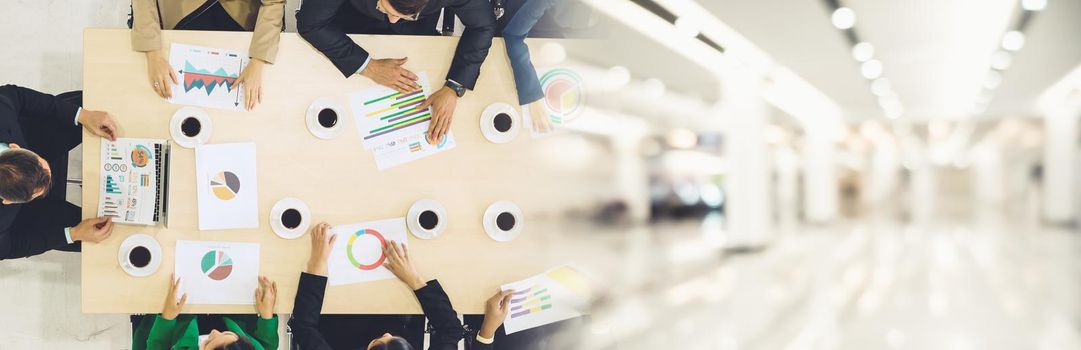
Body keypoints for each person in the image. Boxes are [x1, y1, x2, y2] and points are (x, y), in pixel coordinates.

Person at [295, 0, 497, 144]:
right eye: (383, 7)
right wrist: (368, 66)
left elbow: (483, 26)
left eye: (402, 15)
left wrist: (454, 86)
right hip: (350, 27)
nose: (393, 20)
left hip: (417, 38)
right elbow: (310, 24)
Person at [291, 222, 512, 349]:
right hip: (401, 310)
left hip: (336, 322)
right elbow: (451, 331)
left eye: (381, 340)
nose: (386, 333)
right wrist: (415, 280)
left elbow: (303, 327)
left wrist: (316, 265)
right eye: (393, 339)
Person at [0, 85, 119, 260]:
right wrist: (73, 234)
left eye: (42, 164)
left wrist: (81, 115)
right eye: (37, 192)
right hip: (22, 216)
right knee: (99, 235)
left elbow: (17, 95)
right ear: (8, 201)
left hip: (29, 134)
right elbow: (9, 248)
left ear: (15, 146)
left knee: (97, 111)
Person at [131, 0, 286, 110]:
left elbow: (274, 3)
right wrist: (153, 54)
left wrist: (258, 60)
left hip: (241, 18)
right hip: (179, 15)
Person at [131, 273, 279, 349]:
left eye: (208, 343)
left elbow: (157, 345)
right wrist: (267, 315)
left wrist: (168, 316)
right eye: (228, 334)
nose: (214, 332)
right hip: (232, 307)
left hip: (179, 316)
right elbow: (267, 345)